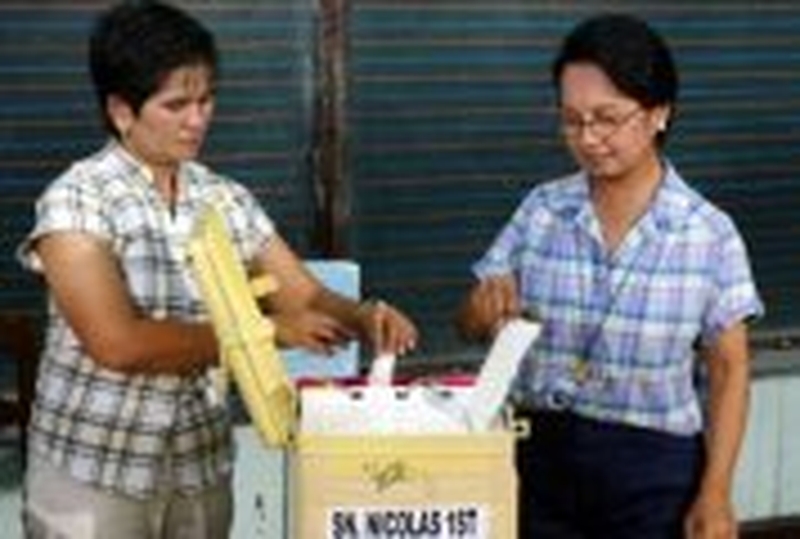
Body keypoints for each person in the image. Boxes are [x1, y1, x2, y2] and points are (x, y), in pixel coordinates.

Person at [17, 1, 418, 538]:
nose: (198, 118)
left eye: (206, 100)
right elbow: (118, 343)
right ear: (120, 111)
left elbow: (303, 294)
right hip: (95, 470)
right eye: (176, 104)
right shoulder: (75, 200)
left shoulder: (222, 198)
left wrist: (364, 315)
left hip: (198, 465)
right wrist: (263, 332)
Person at [457, 13, 763, 539]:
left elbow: (730, 371)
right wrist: (481, 311)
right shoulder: (542, 211)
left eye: (607, 118)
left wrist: (716, 494)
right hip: (540, 459)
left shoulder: (709, 234)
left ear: (658, 113)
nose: (588, 138)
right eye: (572, 120)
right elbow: (468, 320)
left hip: (654, 472)